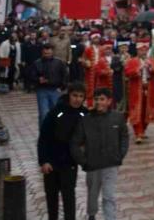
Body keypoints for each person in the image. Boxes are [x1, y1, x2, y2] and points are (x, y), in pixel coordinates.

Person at [71, 88, 129, 220]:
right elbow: (75, 142)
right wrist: (83, 161)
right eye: (96, 99)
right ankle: (92, 215)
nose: (98, 102)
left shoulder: (118, 118)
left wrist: (120, 154)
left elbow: (124, 137)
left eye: (102, 99)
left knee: (109, 196)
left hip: (111, 163)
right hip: (93, 164)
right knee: (93, 194)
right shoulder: (86, 120)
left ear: (109, 101)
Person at [38, 82, 88, 220]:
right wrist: (44, 161)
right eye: (74, 95)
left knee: (69, 197)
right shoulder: (56, 112)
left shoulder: (85, 114)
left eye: (81, 96)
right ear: (69, 95)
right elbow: (43, 138)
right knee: (51, 198)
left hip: (70, 163)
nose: (77, 99)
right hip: (52, 162)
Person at [124, 38, 154, 142]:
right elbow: (127, 72)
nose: (143, 52)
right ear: (137, 50)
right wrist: (139, 69)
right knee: (137, 110)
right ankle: (138, 132)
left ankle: (143, 130)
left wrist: (151, 67)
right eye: (141, 50)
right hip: (136, 89)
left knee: (147, 110)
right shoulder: (132, 61)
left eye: (145, 50)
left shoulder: (151, 60)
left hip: (149, 89)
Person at [29, 43, 69, 125]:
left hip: (55, 90)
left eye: (49, 53)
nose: (47, 55)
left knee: (56, 113)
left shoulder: (59, 62)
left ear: (52, 52)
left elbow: (65, 75)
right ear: (42, 52)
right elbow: (31, 75)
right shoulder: (37, 63)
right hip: (42, 90)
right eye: (45, 53)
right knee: (43, 113)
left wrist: (62, 87)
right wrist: (38, 79)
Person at [81, 32, 102, 108]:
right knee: (90, 87)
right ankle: (90, 105)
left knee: (99, 87)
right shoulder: (88, 49)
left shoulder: (102, 48)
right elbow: (83, 59)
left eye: (97, 38)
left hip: (99, 71)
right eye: (94, 38)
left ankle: (99, 104)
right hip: (90, 71)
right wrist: (86, 63)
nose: (96, 40)